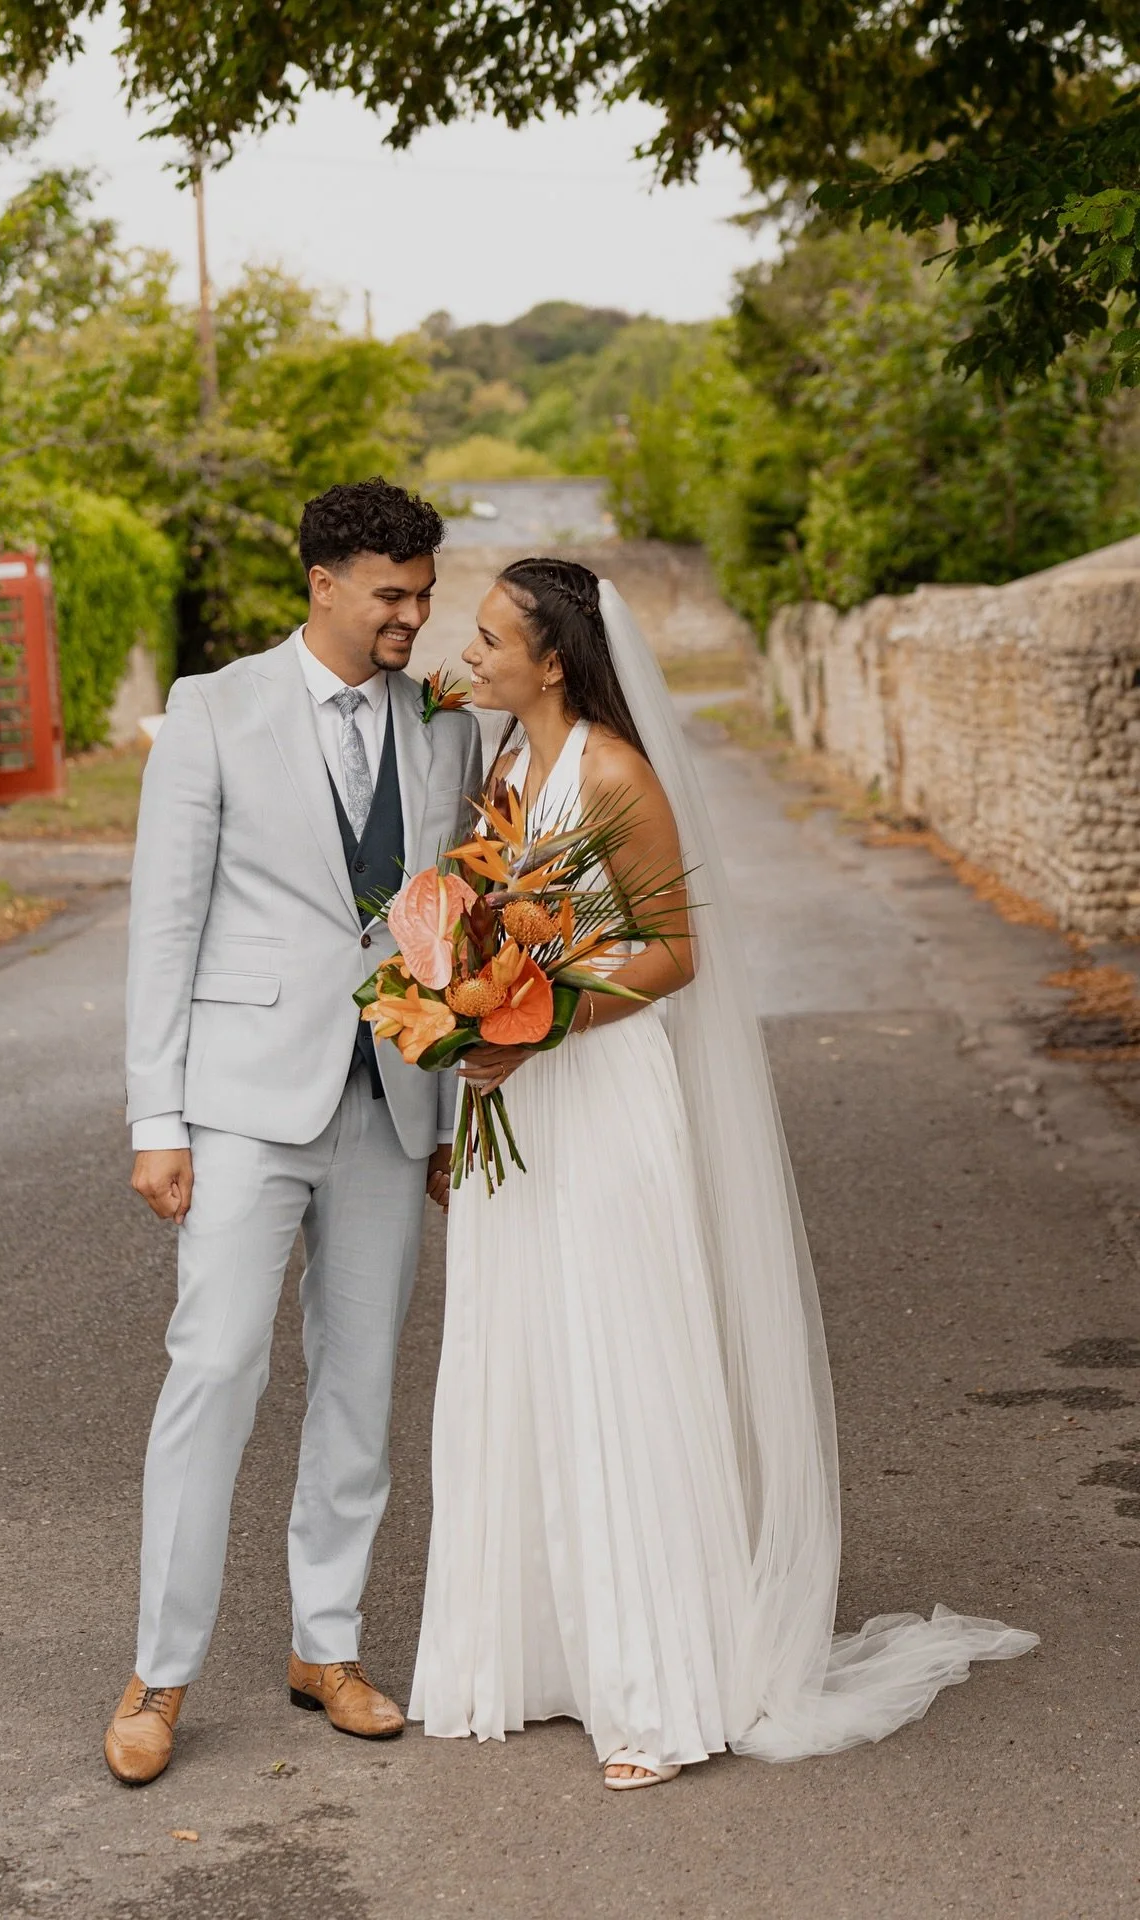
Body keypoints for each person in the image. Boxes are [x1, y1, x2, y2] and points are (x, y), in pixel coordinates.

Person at [409, 558, 1036, 1789]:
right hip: (519, 1092)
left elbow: (673, 955)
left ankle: (657, 1687)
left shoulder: (612, 772)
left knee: (623, 1358)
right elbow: (477, 922)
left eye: (488, 641)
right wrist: (466, 1018)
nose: (467, 656)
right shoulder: (506, 770)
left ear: (553, 662)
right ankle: (545, 1656)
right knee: (525, 1350)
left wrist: (531, 1022)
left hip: (596, 1086)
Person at [107, 477, 481, 1786]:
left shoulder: (444, 726)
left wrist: (448, 1106)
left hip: (392, 1103)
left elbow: (450, 915)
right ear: (321, 583)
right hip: (243, 1102)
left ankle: (327, 1646)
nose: (413, 617)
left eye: (425, 596)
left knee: (361, 1387)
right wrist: (160, 1119)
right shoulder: (214, 712)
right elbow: (165, 921)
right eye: (392, 594)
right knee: (213, 1370)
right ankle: (159, 1675)